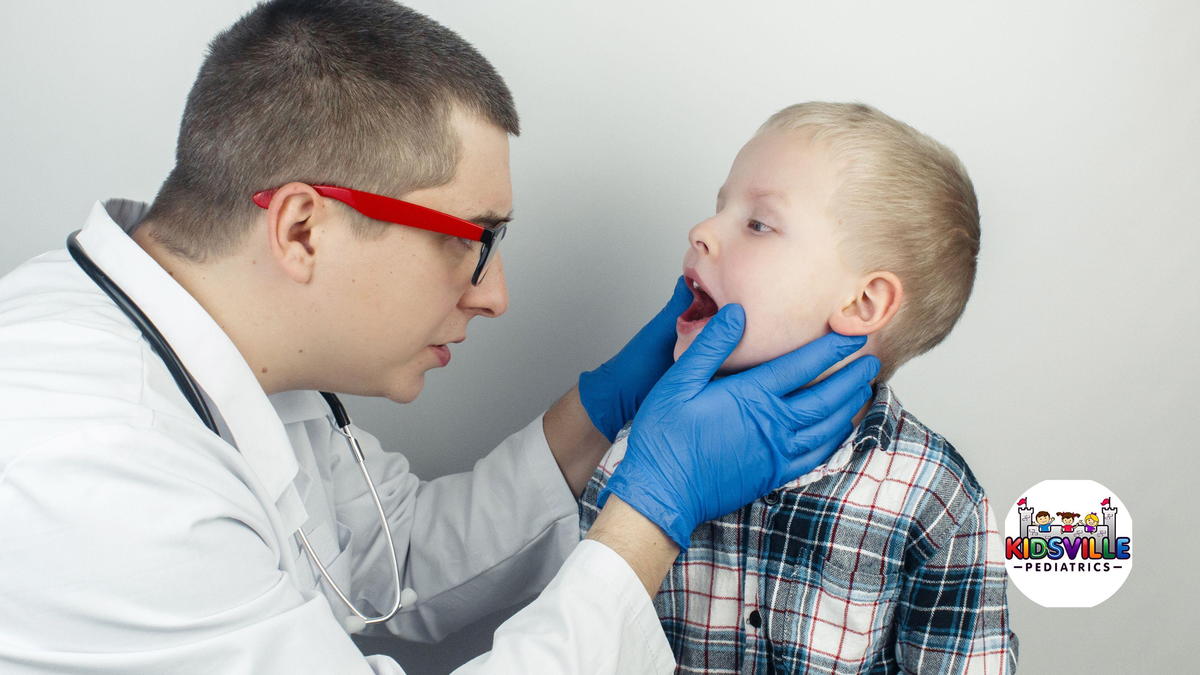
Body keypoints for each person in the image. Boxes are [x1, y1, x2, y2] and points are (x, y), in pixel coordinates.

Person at [0, 3, 879, 673]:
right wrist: (653, 510)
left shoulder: (215, 346)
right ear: (304, 228)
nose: (495, 294)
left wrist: (601, 410)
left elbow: (393, 561)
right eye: (471, 239)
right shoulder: (91, 467)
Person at [580, 102, 1019, 673]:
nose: (702, 232)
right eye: (719, 207)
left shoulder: (933, 497)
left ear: (862, 302)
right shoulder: (642, 457)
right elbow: (582, 639)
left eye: (758, 223)